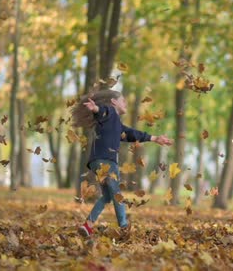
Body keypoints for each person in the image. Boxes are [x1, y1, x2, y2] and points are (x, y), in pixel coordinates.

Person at [71, 89, 173, 239]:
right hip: (106, 161)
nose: (125, 103)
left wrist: (155, 138)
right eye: (122, 100)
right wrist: (96, 109)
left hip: (97, 162)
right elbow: (103, 111)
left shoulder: (116, 124)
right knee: (117, 194)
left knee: (107, 196)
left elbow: (133, 134)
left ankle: (88, 225)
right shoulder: (110, 112)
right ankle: (124, 227)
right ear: (114, 102)